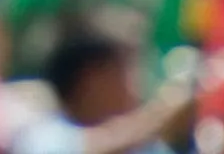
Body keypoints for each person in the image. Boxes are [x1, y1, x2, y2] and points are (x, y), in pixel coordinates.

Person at [12, 24, 196, 154]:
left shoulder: (146, 146)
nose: (135, 83)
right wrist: (159, 116)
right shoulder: (43, 137)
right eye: (123, 73)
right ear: (92, 81)